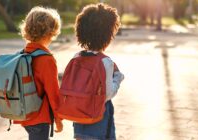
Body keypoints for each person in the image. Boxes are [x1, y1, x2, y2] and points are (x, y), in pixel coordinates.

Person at [72, 3, 124, 140]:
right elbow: (107, 94)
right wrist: (118, 77)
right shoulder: (105, 62)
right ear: (108, 35)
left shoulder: (76, 57)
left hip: (79, 121)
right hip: (98, 123)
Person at [13, 6, 63, 140]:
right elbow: (53, 93)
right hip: (39, 116)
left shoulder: (22, 54)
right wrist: (58, 119)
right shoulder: (46, 59)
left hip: (23, 112)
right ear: (49, 33)